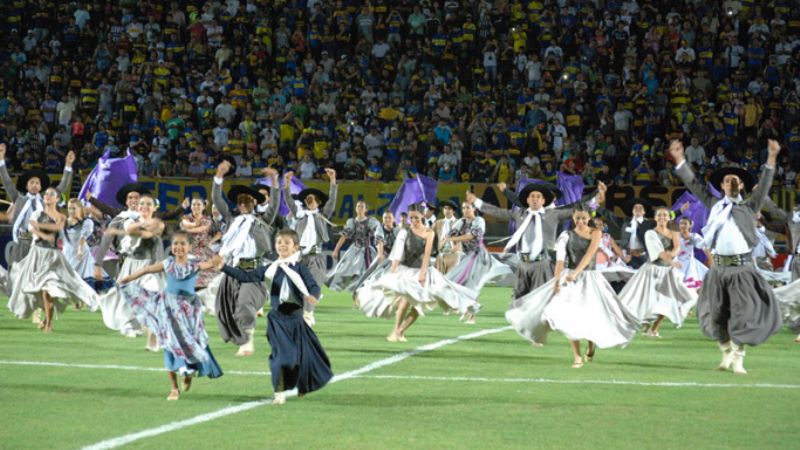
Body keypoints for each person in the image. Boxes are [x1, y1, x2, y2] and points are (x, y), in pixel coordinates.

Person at [669, 138, 783, 374]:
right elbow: (693, 183)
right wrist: (680, 160)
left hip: (742, 270)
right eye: (727, 180)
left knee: (742, 315)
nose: (731, 182)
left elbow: (764, 186)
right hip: (718, 269)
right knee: (717, 314)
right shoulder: (713, 205)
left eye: (736, 180)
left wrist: (771, 158)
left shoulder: (750, 207)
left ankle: (739, 359)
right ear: (722, 186)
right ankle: (725, 352)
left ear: (741, 186)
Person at [505, 209, 639, 368]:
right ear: (574, 219)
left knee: (591, 316)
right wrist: (556, 280)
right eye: (577, 218)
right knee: (568, 317)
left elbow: (589, 255)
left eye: (583, 218)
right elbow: (560, 259)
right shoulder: (566, 235)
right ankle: (576, 357)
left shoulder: (596, 233)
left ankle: (591, 343)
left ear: (589, 218)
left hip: (590, 278)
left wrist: (576, 272)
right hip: (569, 279)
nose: (580, 221)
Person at [221, 229, 332, 405]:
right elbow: (246, 276)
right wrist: (223, 267)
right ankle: (279, 392)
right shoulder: (271, 268)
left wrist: (313, 295)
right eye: (279, 242)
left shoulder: (300, 268)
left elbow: (314, 286)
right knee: (282, 356)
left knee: (302, 358)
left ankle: (299, 383)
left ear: (295, 247)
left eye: (286, 242)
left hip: (296, 319)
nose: (282, 245)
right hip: (277, 320)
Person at [118, 231, 223, 401]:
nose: (179, 247)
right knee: (168, 344)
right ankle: (173, 388)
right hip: (167, 309)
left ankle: (188, 373)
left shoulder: (194, 264)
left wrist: (218, 260)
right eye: (175, 244)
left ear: (189, 247)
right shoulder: (167, 263)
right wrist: (128, 278)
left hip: (189, 311)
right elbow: (146, 269)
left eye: (183, 244)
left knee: (191, 342)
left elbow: (210, 264)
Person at [355, 204, 480, 342]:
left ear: (422, 216)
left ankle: (401, 331)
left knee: (419, 306)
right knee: (405, 300)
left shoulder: (429, 232)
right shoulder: (405, 231)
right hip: (406, 270)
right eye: (411, 218)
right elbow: (398, 251)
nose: (413, 220)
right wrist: (393, 269)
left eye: (416, 217)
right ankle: (396, 331)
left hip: (423, 271)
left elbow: (427, 254)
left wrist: (422, 273)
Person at [465, 181, 604, 305]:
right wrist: (476, 201)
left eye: (538, 197)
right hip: (523, 263)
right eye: (532, 196)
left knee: (542, 300)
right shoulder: (519, 214)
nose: (535, 199)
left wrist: (596, 199)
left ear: (544, 200)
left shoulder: (553, 214)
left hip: (543, 263)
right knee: (518, 301)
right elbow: (496, 211)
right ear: (527, 200)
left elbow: (578, 209)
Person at [7, 187, 98, 331]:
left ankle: (48, 323)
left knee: (48, 288)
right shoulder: (37, 213)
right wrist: (44, 235)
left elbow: (64, 231)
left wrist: (79, 220)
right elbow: (32, 228)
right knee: (38, 289)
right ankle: (45, 319)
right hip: (37, 254)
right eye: (46, 194)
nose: (48, 196)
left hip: (53, 256)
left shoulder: (62, 218)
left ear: (57, 199)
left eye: (52, 194)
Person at [211, 161, 277, 356]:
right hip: (232, 271)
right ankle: (242, 336)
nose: (242, 204)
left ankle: (247, 341)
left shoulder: (263, 221)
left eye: (247, 201)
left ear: (254, 202)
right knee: (227, 310)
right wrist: (219, 176)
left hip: (253, 271)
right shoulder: (232, 221)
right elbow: (217, 198)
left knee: (244, 305)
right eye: (239, 202)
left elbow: (274, 204)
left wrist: (274, 181)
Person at [0, 143, 74, 295]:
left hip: (41, 242)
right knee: (17, 273)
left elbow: (62, 186)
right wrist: (1, 159)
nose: (34, 185)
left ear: (41, 187)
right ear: (26, 186)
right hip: (22, 240)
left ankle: (39, 304)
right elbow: (7, 181)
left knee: (41, 275)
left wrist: (67, 166)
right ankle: (15, 301)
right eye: (31, 182)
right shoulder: (18, 198)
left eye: (37, 183)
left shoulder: (47, 200)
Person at [96, 192, 165, 348]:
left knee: (151, 296)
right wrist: (141, 226)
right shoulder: (128, 220)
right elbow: (132, 229)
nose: (144, 207)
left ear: (154, 208)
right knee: (125, 301)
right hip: (130, 265)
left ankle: (152, 335)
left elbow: (153, 230)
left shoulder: (159, 223)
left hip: (150, 267)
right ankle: (132, 326)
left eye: (148, 204)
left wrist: (141, 227)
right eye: (142, 204)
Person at [618, 207, 699, 337]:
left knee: (680, 298)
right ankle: (647, 326)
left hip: (668, 272)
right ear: (655, 218)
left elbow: (677, 247)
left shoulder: (674, 233)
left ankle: (653, 328)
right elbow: (658, 252)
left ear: (669, 217)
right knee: (646, 300)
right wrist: (671, 260)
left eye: (665, 215)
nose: (662, 217)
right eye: (659, 215)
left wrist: (671, 254)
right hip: (652, 271)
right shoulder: (650, 233)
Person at [283, 168, 338, 326]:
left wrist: (333, 181)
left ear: (318, 202)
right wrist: (286, 183)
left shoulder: (322, 215)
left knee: (314, 285)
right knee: (297, 288)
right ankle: (297, 313)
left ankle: (308, 313)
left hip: (316, 257)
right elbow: (288, 200)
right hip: (299, 257)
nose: (309, 200)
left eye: (312, 199)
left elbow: (332, 201)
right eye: (307, 198)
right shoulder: (299, 215)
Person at [444, 201, 513, 322]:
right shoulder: (461, 222)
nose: (465, 210)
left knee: (465, 283)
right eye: (463, 207)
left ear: (474, 209)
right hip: (468, 256)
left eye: (468, 207)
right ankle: (469, 311)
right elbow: (450, 234)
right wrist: (453, 243)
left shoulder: (479, 220)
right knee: (467, 285)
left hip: (479, 255)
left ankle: (470, 311)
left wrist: (454, 239)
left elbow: (472, 235)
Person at [327, 200, 384, 291]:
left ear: (366, 209)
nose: (360, 208)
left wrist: (380, 252)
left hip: (366, 250)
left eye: (362, 206)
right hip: (354, 249)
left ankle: (361, 289)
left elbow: (379, 237)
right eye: (358, 206)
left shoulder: (371, 221)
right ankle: (349, 288)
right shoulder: (352, 221)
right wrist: (336, 250)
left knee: (364, 270)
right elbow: (343, 237)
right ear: (355, 209)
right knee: (344, 269)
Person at [62, 198, 112, 290]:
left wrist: (80, 249)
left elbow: (83, 237)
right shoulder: (63, 222)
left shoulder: (87, 222)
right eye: (69, 208)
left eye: (74, 208)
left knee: (84, 280)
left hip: (82, 255)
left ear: (80, 209)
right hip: (67, 253)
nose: (71, 211)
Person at [179, 197, 222, 289]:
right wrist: (192, 225)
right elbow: (185, 224)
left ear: (203, 207)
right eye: (193, 204)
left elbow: (202, 228)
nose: (196, 206)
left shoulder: (207, 220)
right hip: (189, 251)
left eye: (199, 204)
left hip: (203, 251)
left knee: (211, 276)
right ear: (190, 206)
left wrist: (188, 230)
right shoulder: (186, 217)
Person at [677, 217, 710, 290]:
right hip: (677, 264)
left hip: (690, 264)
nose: (683, 225)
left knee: (692, 287)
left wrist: (710, 259)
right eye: (681, 223)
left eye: (685, 223)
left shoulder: (694, 236)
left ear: (690, 225)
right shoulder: (675, 236)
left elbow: (704, 246)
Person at [432, 200, 460, 274]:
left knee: (451, 280)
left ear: (453, 211)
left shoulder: (459, 222)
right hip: (441, 255)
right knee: (439, 281)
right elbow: (429, 234)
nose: (447, 210)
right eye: (445, 208)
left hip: (454, 255)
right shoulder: (438, 223)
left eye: (449, 209)